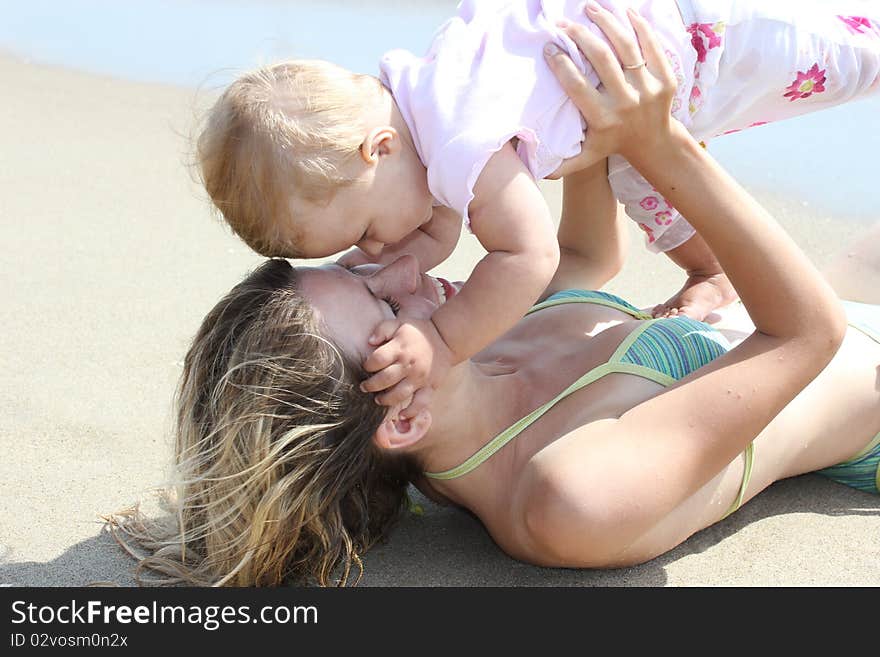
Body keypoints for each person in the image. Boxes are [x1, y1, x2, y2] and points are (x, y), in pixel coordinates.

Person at [110, 10, 880, 587]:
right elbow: (804, 335)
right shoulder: (564, 497)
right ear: (403, 416)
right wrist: (657, 141)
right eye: (387, 309)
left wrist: (582, 108)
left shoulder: (480, 340)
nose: (404, 271)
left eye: (358, 269)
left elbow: (586, 255)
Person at [196, 0, 880, 421]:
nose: (382, 250)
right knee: (638, 181)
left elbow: (529, 255)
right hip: (636, 76)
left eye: (368, 232)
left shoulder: (460, 145)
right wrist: (398, 250)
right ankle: (711, 271)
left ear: (378, 149)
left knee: (851, 50)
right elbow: (436, 223)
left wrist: (443, 339)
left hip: (690, 35)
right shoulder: (421, 104)